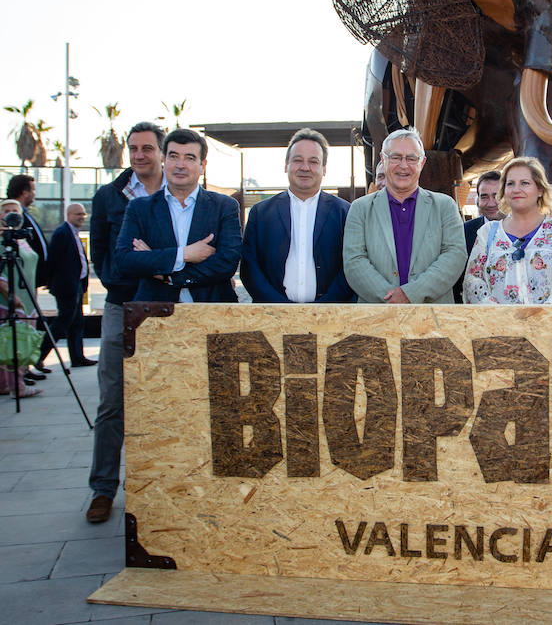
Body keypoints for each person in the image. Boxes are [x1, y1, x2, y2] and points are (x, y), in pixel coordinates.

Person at [86, 121, 165, 524]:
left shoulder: (180, 194)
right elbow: (105, 257)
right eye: (133, 148)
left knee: (171, 402)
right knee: (112, 403)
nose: (139, 155)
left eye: (147, 148)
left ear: (161, 152)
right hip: (122, 306)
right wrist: (155, 263)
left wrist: (154, 261)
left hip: (169, 311)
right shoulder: (108, 197)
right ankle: (102, 489)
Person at [115, 128, 241, 303]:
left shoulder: (224, 206)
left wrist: (167, 276)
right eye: (173, 156)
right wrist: (183, 255)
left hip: (213, 313)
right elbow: (125, 260)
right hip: (156, 314)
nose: (180, 165)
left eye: (190, 158)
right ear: (163, 160)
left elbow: (227, 262)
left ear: (202, 166)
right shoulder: (140, 208)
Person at [343, 128, 466, 304]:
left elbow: (454, 255)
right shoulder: (360, 209)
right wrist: (391, 299)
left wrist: (410, 294)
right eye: (395, 157)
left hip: (434, 319)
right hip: (376, 318)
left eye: (411, 158)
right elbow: (354, 261)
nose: (403, 165)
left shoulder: (445, 207)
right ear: (383, 159)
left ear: (422, 163)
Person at [240, 128, 354, 303]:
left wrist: (323, 308)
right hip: (273, 315)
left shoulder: (345, 212)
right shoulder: (261, 213)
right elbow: (250, 269)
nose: (305, 167)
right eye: (297, 160)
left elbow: (351, 267)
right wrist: (280, 308)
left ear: (324, 168)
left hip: (330, 318)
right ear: (286, 165)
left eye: (313, 161)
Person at [463, 157, 552, 304]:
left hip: (550, 323)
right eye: (510, 184)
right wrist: (496, 314)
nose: (516, 189)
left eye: (525, 183)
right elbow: (473, 279)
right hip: (499, 324)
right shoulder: (487, 234)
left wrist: (541, 316)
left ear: (540, 189)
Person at [36, 203, 95, 369]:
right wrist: (54, 284)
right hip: (66, 287)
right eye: (78, 214)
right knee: (62, 323)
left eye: (83, 214)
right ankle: (39, 355)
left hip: (76, 285)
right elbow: (53, 261)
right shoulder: (62, 233)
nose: (82, 217)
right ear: (69, 215)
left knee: (77, 323)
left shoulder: (73, 233)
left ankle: (77, 357)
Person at [0, 199, 43, 397]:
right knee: (13, 343)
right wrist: (10, 294)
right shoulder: (2, 241)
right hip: (10, 299)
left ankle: (8, 383)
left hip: (27, 297)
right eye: (7, 211)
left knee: (23, 341)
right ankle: (16, 386)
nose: (11, 215)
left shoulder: (21, 238)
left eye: (14, 211)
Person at [454, 170, 502, 302]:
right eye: (484, 197)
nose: (491, 203)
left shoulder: (522, 230)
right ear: (478, 200)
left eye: (496, 196)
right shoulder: (464, 231)